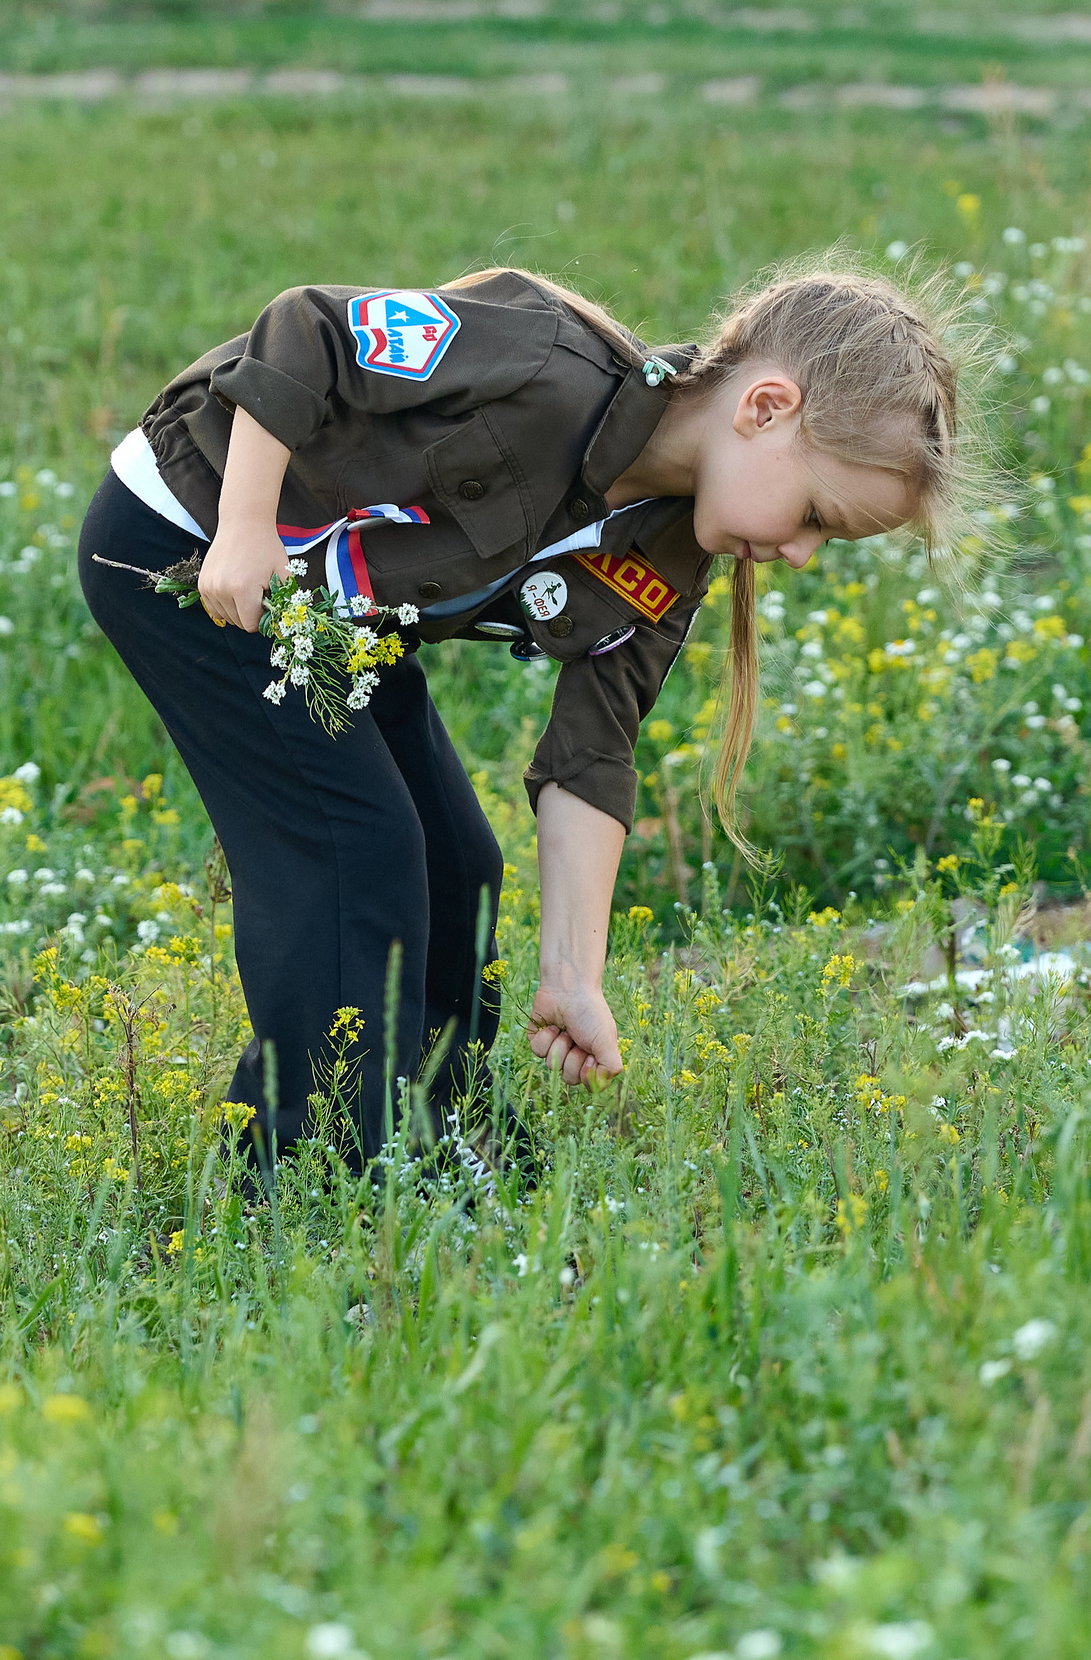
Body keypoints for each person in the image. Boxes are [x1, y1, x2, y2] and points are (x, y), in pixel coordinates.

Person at [76, 254, 993, 1183]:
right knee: (356, 848)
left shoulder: (667, 560)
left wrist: (573, 978)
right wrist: (244, 526)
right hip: (187, 542)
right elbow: (306, 327)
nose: (800, 554)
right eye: (816, 516)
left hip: (328, 612)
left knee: (459, 862)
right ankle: (312, 1170)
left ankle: (440, 1124)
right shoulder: (540, 362)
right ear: (765, 408)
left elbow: (591, 754)